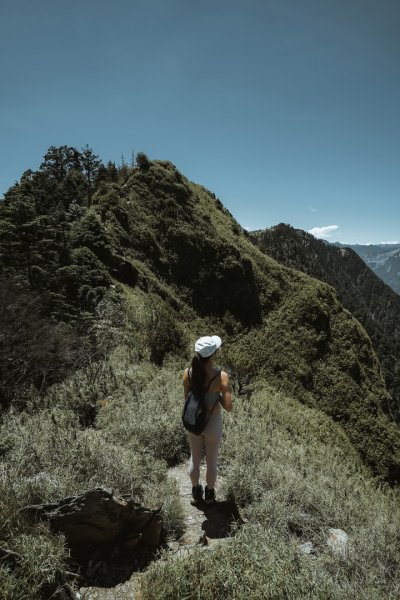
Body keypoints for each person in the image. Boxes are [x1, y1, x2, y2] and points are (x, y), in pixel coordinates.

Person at [183, 335, 233, 506]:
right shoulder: (222, 376)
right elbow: (228, 406)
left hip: (194, 422)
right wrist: (216, 395)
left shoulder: (188, 373)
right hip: (213, 422)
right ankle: (210, 496)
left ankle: (196, 493)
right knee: (211, 461)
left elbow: (187, 399)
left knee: (194, 459)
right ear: (213, 355)